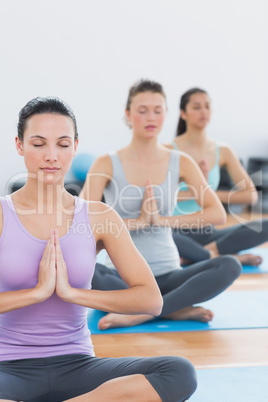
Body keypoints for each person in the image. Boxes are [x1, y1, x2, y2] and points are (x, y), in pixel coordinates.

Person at [0, 97, 198, 402]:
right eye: (38, 143)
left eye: (63, 144)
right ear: (19, 145)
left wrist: (71, 293)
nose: (51, 156)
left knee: (178, 372)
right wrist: (37, 293)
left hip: (77, 366)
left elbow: (151, 300)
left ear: (75, 146)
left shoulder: (99, 216)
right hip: (7, 369)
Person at [81, 79, 241, 331]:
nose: (150, 117)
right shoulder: (106, 163)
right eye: (142, 110)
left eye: (158, 110)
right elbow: (80, 222)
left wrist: (161, 221)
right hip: (121, 279)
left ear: (166, 114)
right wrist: (139, 222)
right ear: (128, 114)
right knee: (78, 265)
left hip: (169, 276)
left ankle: (145, 313)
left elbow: (216, 213)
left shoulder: (181, 161)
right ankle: (172, 308)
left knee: (230, 264)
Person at [164, 87, 268, 266]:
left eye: (207, 106)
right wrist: (194, 193)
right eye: (196, 107)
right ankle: (226, 257)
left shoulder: (224, 151)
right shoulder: (167, 151)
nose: (203, 111)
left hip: (208, 232)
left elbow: (250, 195)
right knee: (153, 233)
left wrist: (206, 193)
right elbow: (158, 197)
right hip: (176, 230)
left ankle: (204, 255)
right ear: (183, 113)